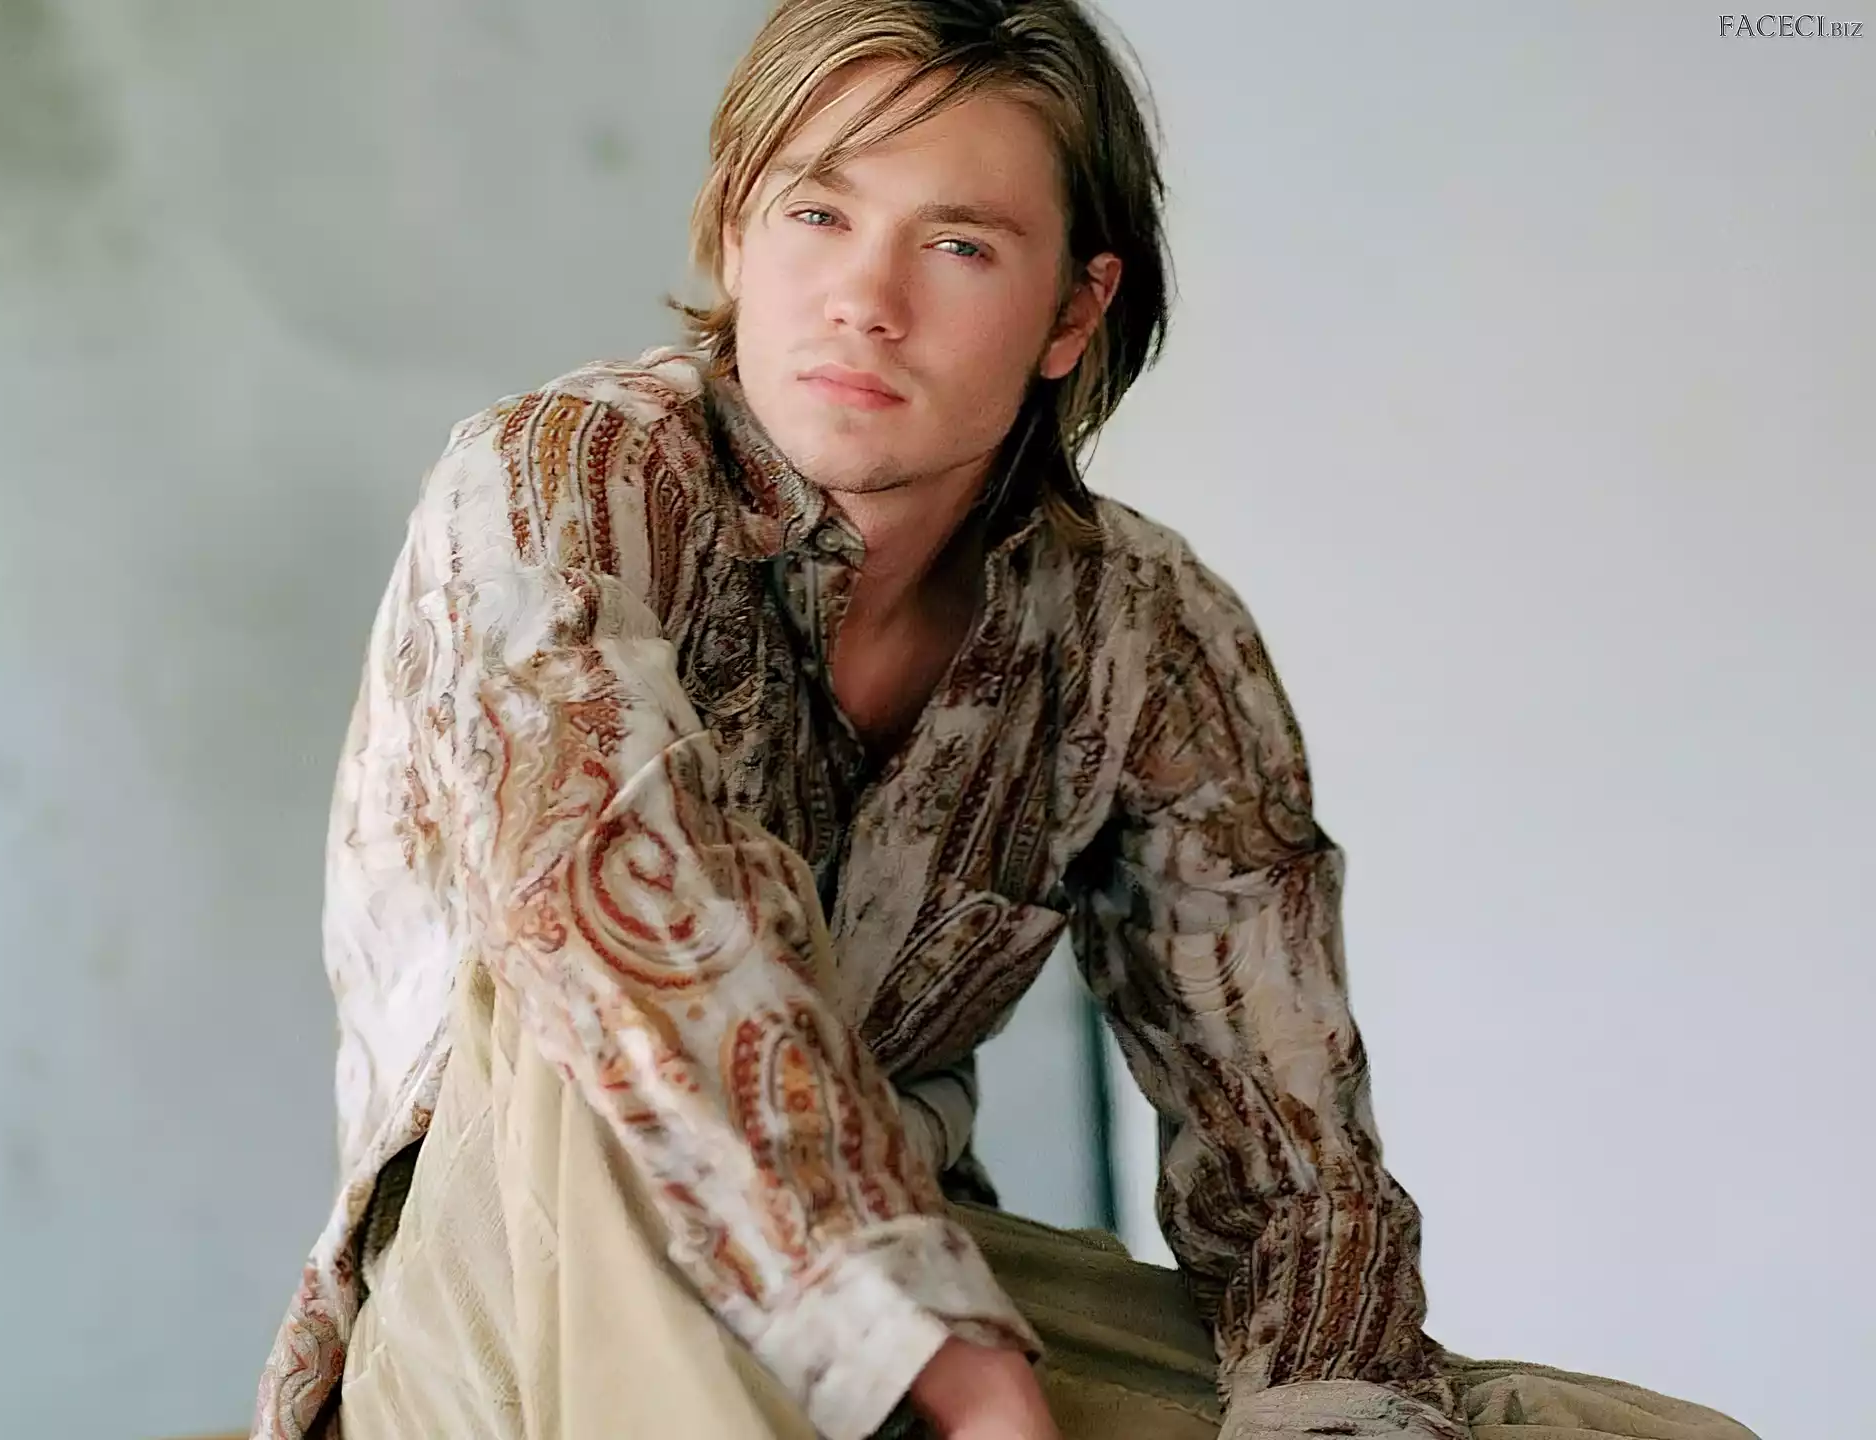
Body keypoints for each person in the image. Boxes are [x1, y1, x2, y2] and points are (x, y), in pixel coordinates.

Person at [252, 3, 1760, 1438]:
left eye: (958, 244)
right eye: (818, 213)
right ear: (733, 232)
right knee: (604, 996)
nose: (867, 298)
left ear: (1070, 312)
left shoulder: (1144, 632)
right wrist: (925, 1339)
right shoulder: (561, 484)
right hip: (516, 1301)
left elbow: (1293, 1169)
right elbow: (610, 891)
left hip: (934, 1302)